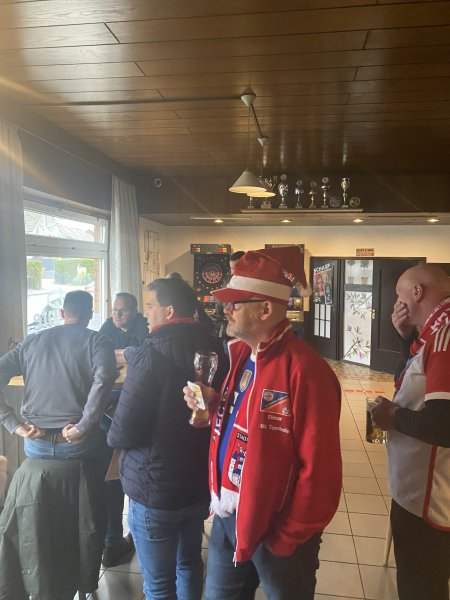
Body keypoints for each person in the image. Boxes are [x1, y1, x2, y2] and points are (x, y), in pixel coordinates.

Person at [184, 247, 342, 600]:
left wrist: (288, 536)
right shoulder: (241, 353)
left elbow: (321, 471)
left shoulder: (307, 371)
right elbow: (247, 429)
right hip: (228, 516)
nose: (225, 310)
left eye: (235, 303)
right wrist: (212, 408)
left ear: (266, 309)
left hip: (277, 531)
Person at [107, 277, 228, 600]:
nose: (146, 314)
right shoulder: (218, 348)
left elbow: (122, 432)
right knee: (189, 563)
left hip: (155, 488)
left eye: (150, 306)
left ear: (169, 311)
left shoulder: (150, 355)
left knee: (159, 583)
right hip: (198, 483)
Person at [371, 264, 450, 600]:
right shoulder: (434, 330)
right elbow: (416, 377)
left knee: (421, 584)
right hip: (425, 488)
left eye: (399, 294)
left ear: (417, 292)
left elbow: (443, 424)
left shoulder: (445, 333)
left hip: (428, 496)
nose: (397, 302)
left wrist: (393, 417)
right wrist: (405, 338)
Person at [0, 290, 116, 459]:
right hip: (79, 442)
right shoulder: (98, 341)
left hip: (35, 442)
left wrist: (13, 425)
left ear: (62, 313)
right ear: (90, 314)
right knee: (112, 447)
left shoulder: (30, 341)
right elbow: (104, 379)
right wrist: (83, 427)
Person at [98, 292, 147, 567]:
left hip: (135, 405)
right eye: (115, 310)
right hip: (109, 407)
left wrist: (120, 354)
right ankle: (112, 541)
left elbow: (143, 356)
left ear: (135, 311)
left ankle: (130, 535)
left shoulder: (144, 328)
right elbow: (98, 354)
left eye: (124, 310)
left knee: (126, 474)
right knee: (111, 476)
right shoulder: (106, 327)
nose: (118, 315)